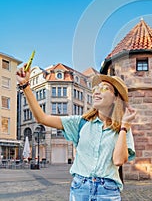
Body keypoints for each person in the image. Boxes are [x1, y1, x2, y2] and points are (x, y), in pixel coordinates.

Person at [16, 65, 136, 201]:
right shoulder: (80, 122)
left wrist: (124, 127)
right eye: (95, 89)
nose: (96, 92)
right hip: (81, 189)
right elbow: (42, 118)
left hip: (107, 191)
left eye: (104, 89)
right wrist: (25, 85)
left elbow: (119, 160)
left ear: (115, 98)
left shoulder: (122, 128)